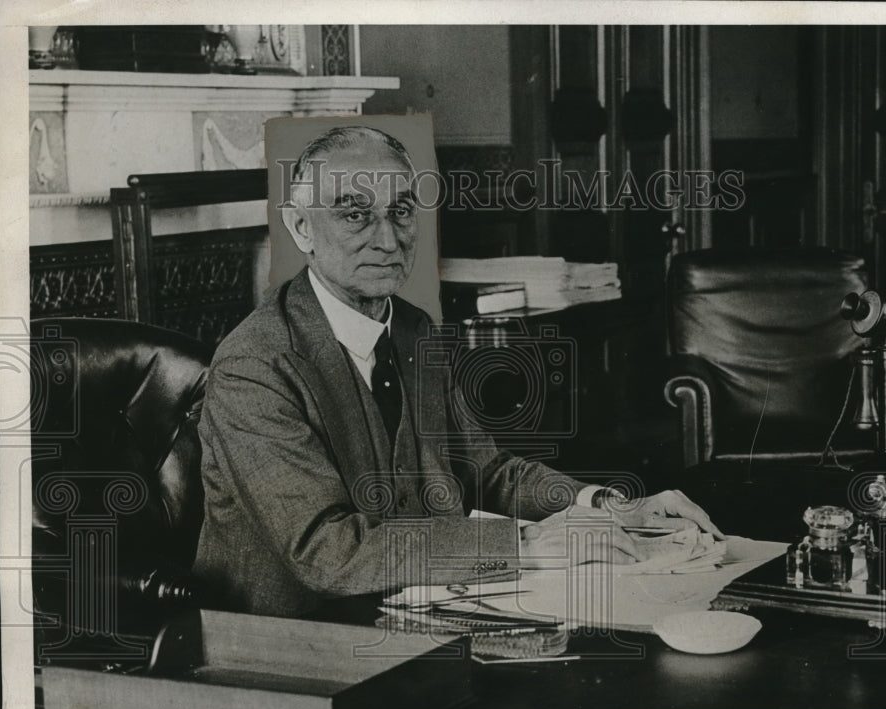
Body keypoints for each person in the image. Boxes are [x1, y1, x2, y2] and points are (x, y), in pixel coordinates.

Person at [193, 125, 722, 617]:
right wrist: (527, 544)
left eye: (401, 212)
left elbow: (486, 471)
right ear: (301, 226)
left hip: (414, 608)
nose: (387, 239)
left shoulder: (413, 329)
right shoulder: (255, 365)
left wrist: (609, 508)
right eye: (354, 214)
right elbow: (326, 553)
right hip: (284, 641)